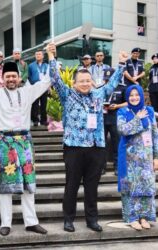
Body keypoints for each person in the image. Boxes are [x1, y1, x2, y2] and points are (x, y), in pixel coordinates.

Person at [46, 43, 128, 233]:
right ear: (74, 83)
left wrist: (122, 64)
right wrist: (51, 57)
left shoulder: (98, 94)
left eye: (87, 80)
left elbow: (113, 83)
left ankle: (92, 220)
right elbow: (56, 78)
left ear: (92, 81)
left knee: (92, 187)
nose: (85, 83)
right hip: (74, 147)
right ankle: (68, 219)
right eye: (81, 81)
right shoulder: (67, 94)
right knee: (72, 185)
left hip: (96, 147)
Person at [0, 61, 50, 236]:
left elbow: (48, 81)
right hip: (4, 141)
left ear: (19, 77)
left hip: (24, 141)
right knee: (5, 184)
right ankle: (6, 223)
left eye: (14, 76)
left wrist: (51, 57)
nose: (11, 79)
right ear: (2, 78)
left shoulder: (28, 91)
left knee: (29, 183)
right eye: (8, 76)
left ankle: (31, 222)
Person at [117, 85, 158, 230]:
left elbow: (154, 134)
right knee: (129, 187)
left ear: (142, 96)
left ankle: (144, 216)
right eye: (131, 95)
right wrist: (137, 119)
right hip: (128, 157)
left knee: (146, 186)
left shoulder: (150, 111)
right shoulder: (122, 111)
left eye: (137, 95)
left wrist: (156, 157)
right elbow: (122, 130)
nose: (134, 98)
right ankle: (132, 217)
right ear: (127, 98)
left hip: (146, 157)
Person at [102, 68, 127, 176]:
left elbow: (127, 102)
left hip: (116, 119)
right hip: (103, 119)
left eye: (109, 79)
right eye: (106, 79)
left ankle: (117, 167)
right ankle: (102, 167)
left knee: (116, 143)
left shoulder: (122, 88)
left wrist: (117, 106)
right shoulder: (101, 89)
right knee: (101, 145)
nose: (107, 81)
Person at [28, 49, 50, 126]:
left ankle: (43, 120)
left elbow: (49, 76)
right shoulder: (31, 65)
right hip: (35, 86)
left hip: (44, 87)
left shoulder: (47, 65)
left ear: (43, 56)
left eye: (39, 54)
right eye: (36, 54)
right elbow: (29, 76)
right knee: (35, 104)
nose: (38, 55)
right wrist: (32, 84)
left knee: (44, 104)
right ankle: (35, 120)